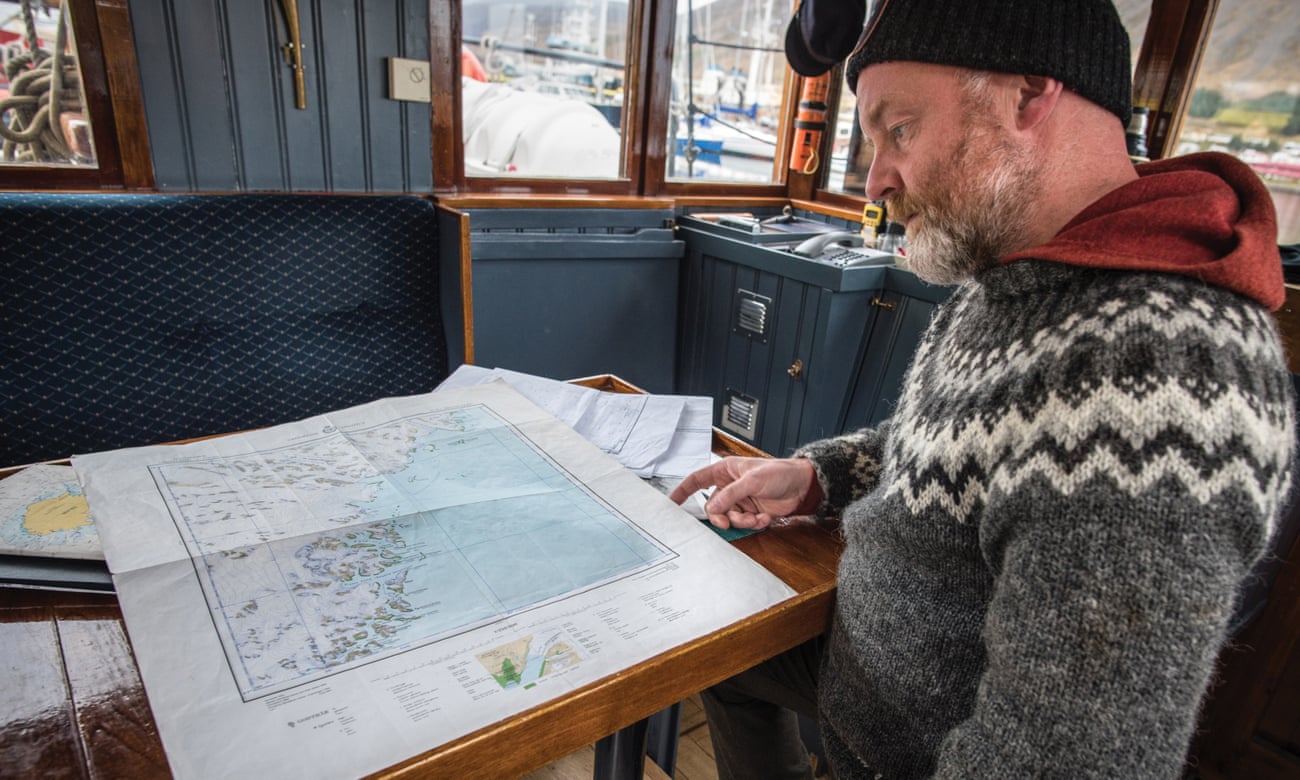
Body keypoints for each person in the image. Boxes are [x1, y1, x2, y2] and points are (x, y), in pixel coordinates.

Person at [670, 0, 1296, 777]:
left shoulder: (1159, 375)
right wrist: (815, 477)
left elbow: (1059, 763)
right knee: (722, 660)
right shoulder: (1013, 274)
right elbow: (956, 446)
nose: (876, 180)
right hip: (862, 684)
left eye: (901, 130)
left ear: (1028, 95)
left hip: (916, 753)